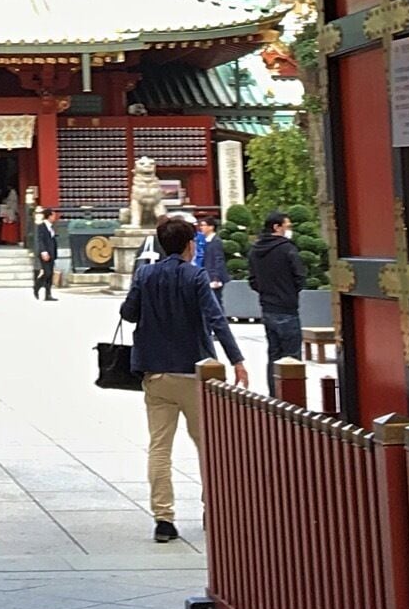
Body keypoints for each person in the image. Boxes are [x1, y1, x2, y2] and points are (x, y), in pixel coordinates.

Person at [121, 215, 248, 543]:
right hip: (195, 372)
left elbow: (128, 313)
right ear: (191, 244)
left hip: (157, 373)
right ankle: (212, 510)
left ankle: (164, 518)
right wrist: (237, 360)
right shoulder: (195, 276)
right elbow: (216, 320)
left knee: (159, 447)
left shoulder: (145, 274)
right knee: (208, 445)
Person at [247, 210, 308, 371]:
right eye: (287, 226)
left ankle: (273, 394)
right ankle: (290, 396)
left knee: (274, 354)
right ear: (277, 227)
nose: (289, 229)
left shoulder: (255, 250)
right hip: (287, 308)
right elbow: (300, 276)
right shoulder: (287, 249)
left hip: (267, 307)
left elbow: (252, 280)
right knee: (292, 357)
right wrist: (290, 292)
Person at [195, 215, 228, 299]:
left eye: (203, 225)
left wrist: (216, 277)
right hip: (208, 275)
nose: (201, 227)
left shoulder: (216, 241)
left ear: (211, 227)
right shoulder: (206, 241)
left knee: (216, 301)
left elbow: (218, 259)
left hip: (214, 277)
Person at [31, 207, 60, 302]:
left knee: (50, 274)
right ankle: (37, 286)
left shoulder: (52, 227)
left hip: (52, 252)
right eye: (53, 215)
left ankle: (48, 294)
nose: (55, 217)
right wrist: (43, 251)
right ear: (49, 216)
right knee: (47, 273)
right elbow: (41, 240)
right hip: (45, 253)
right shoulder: (42, 226)